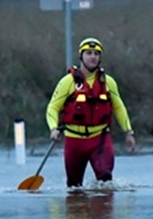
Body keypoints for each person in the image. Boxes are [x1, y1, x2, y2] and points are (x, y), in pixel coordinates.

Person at [45, 37, 136, 187]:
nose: (93, 57)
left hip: (99, 139)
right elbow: (53, 107)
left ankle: (104, 209)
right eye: (89, 53)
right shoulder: (68, 82)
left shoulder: (108, 82)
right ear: (81, 56)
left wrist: (128, 132)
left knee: (106, 180)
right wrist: (53, 128)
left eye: (96, 53)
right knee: (74, 186)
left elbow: (119, 108)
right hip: (74, 141)